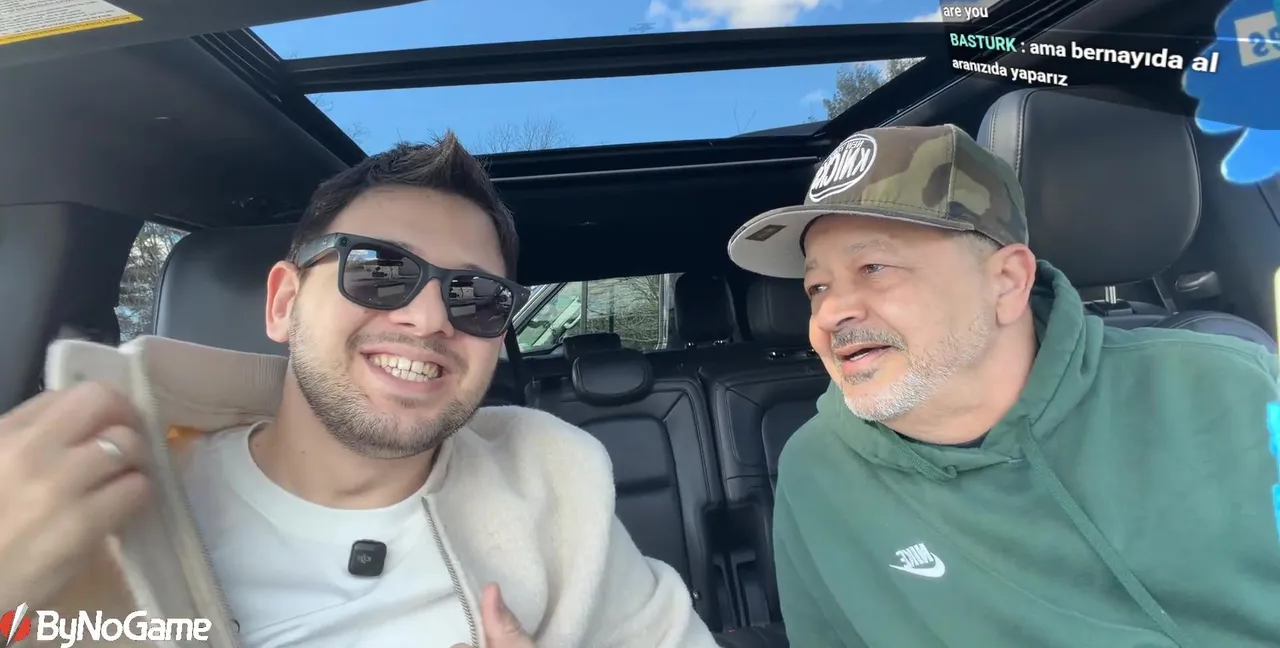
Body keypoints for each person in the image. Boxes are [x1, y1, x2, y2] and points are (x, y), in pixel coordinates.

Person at [0, 132, 718, 648]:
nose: (429, 319)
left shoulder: (557, 488)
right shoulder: (84, 504)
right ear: (284, 303)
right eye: (378, 271)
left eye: (475, 297)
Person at [726, 124, 1280, 648]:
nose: (829, 314)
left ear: (1007, 281)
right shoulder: (818, 473)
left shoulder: (1231, 385)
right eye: (817, 288)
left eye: (873, 267)